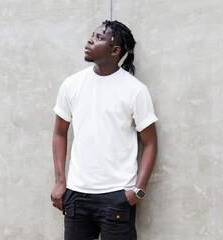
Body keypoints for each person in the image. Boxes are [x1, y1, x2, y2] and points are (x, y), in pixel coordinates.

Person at [50, 20, 158, 240]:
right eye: (92, 35)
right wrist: (61, 181)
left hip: (117, 197)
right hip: (76, 195)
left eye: (99, 37)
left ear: (115, 50)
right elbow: (59, 133)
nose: (90, 40)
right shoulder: (72, 85)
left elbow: (150, 143)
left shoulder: (135, 90)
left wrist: (138, 190)